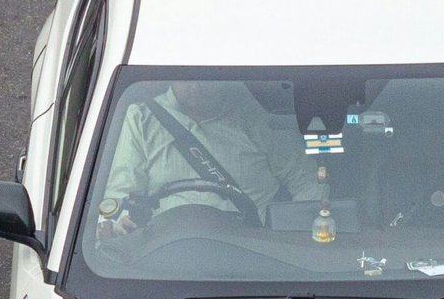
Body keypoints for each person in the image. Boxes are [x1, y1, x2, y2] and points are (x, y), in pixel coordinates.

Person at [98, 81, 324, 236]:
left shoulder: (261, 118)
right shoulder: (141, 118)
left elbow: (308, 186)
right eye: (187, 78)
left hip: (254, 255)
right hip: (164, 257)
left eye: (205, 80)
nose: (196, 87)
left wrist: (294, 238)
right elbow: (120, 196)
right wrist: (121, 224)